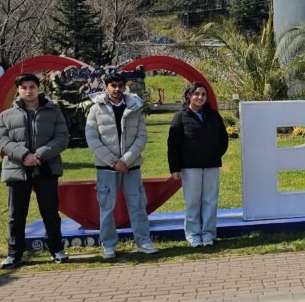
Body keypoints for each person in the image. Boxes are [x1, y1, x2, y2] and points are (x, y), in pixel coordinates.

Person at [0, 73, 70, 269]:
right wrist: (25, 155)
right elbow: (1, 141)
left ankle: (57, 250)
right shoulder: (6, 116)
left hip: (46, 168)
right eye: (24, 87)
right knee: (16, 215)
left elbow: (62, 137)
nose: (28, 91)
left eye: (32, 87)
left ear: (38, 88)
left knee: (50, 212)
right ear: (18, 90)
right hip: (17, 169)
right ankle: (14, 254)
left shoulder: (53, 111)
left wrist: (40, 155)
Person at [85, 73, 157, 259]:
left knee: (138, 204)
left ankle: (143, 242)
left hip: (131, 166)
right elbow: (92, 138)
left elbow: (142, 136)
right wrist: (113, 161)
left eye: (120, 85)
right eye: (113, 85)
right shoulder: (95, 109)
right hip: (106, 167)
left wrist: (126, 160)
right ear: (106, 87)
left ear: (125, 86)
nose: (117, 89)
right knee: (107, 207)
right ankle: (108, 245)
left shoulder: (135, 106)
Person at [167, 82, 229, 247]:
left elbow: (223, 138)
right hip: (190, 167)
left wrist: (216, 153)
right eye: (196, 94)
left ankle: (208, 234)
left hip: (211, 165)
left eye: (203, 94)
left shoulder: (213, 115)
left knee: (210, 200)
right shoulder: (180, 117)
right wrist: (174, 168)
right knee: (193, 201)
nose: (200, 97)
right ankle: (193, 234)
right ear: (189, 96)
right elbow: (173, 145)